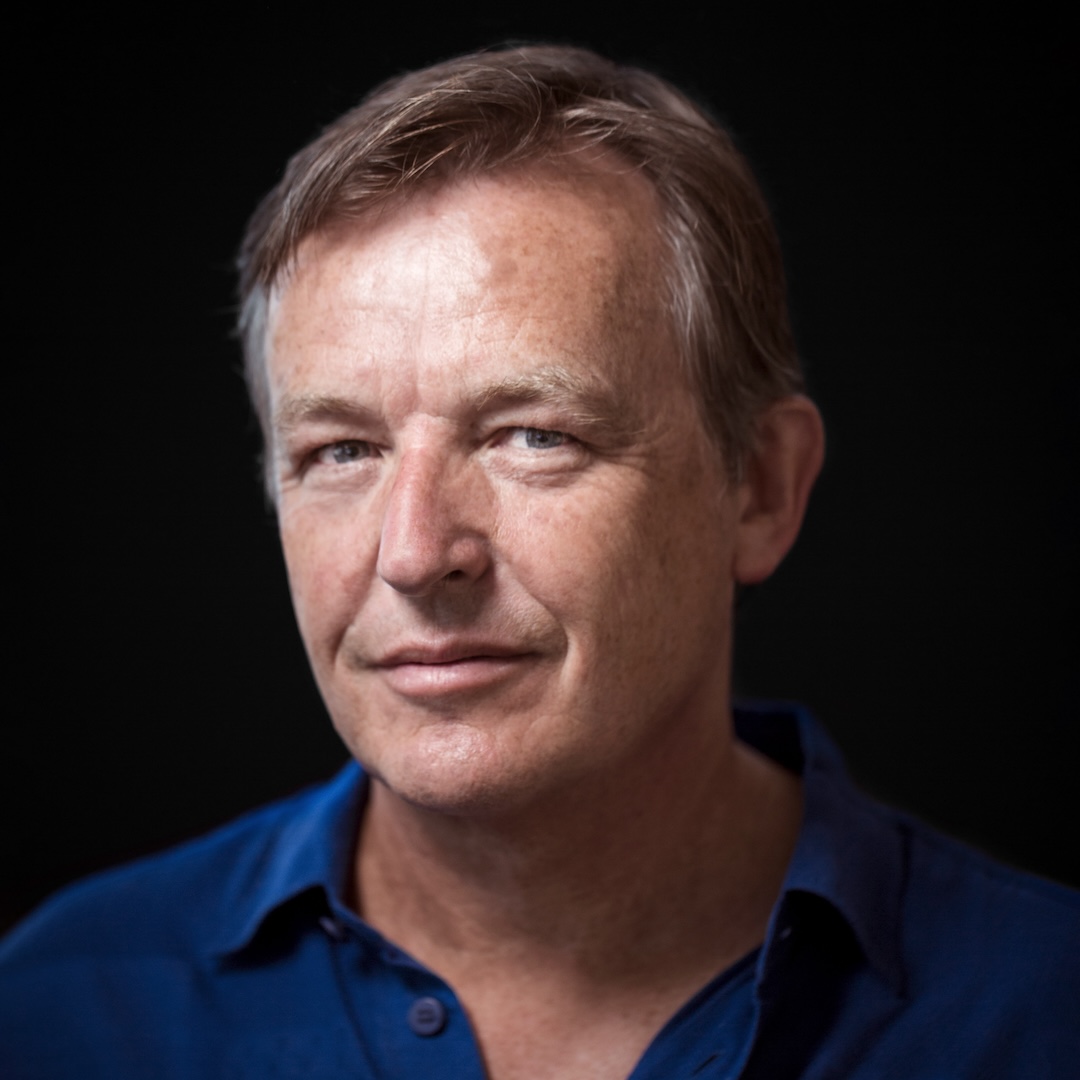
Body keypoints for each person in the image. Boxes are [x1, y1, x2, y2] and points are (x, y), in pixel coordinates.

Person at [1, 44, 1076, 1080]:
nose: (415, 554)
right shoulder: (58, 1012)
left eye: (533, 436)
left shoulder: (1042, 1014)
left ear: (759, 488)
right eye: (342, 451)